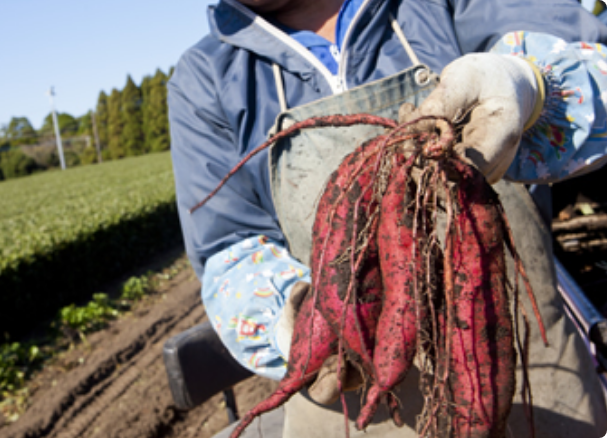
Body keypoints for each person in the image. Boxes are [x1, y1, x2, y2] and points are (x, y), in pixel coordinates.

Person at [168, 0, 607, 436]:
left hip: (524, 362)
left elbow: (589, 62)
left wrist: (532, 84)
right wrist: (293, 324)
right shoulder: (204, 78)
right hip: (352, 405)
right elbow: (229, 247)